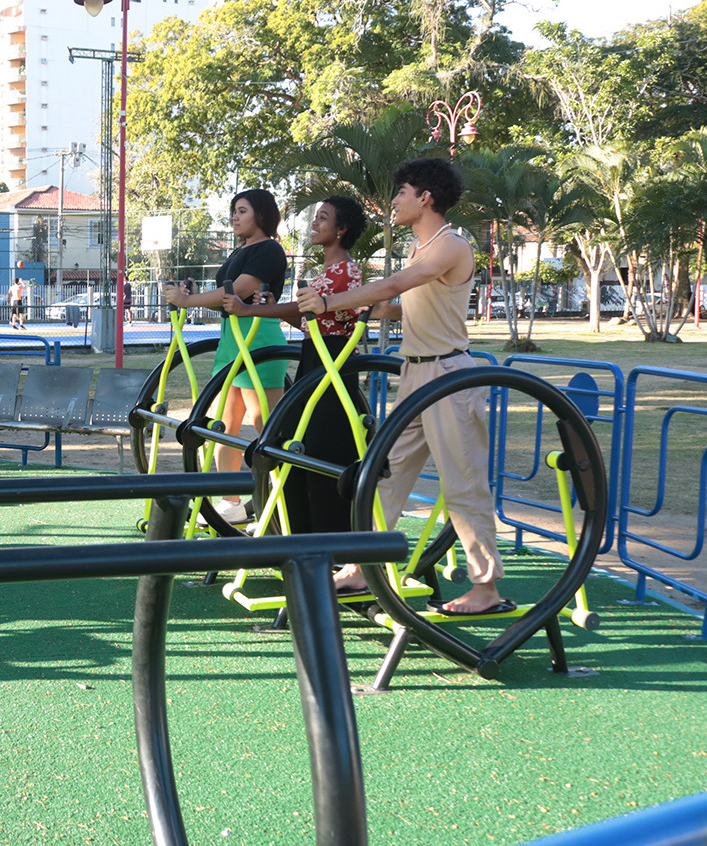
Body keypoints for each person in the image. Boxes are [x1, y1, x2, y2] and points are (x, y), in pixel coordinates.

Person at [296, 157, 508, 616]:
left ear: (425, 198)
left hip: (447, 377)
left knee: (463, 483)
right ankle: (358, 567)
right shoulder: (421, 249)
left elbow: (392, 285)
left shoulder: (449, 246)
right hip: (414, 373)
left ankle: (486, 588)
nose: (393, 202)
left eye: (401, 193)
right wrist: (361, 310)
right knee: (384, 473)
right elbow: (403, 303)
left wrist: (332, 300)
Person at [221, 195, 370, 535]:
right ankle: (294, 524)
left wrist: (250, 310)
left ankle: (327, 532)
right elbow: (306, 317)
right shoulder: (329, 272)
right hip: (314, 355)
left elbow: (306, 311)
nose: (315, 224)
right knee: (299, 440)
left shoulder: (346, 271)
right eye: (315, 217)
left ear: (341, 229)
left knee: (323, 443)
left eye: (323, 218)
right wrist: (271, 305)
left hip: (333, 359)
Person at [163, 188, 289, 525]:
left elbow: (243, 290)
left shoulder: (270, 250)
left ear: (261, 215)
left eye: (242, 210)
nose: (235, 216)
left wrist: (189, 301)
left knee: (267, 425)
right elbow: (226, 293)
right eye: (234, 210)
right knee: (224, 425)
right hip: (231, 339)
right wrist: (193, 296)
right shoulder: (240, 250)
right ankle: (230, 502)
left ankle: (286, 499)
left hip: (258, 336)